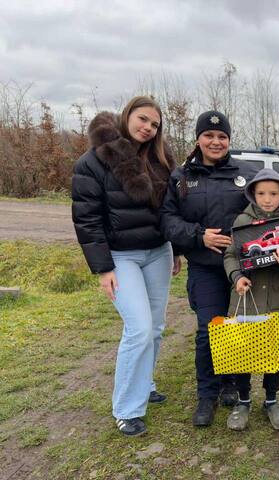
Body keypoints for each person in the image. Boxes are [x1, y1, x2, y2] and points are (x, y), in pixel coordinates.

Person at [71, 96, 180, 437]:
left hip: (158, 252)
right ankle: (127, 409)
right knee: (139, 329)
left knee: (156, 327)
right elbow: (87, 218)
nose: (148, 128)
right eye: (143, 119)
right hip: (121, 257)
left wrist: (176, 250)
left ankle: (145, 383)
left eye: (155, 124)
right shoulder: (93, 161)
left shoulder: (161, 160)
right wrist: (103, 268)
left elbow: (169, 211)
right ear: (127, 115)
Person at [160, 111, 258, 427]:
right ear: (198, 139)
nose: (216, 142)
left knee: (238, 327)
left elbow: (265, 212)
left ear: (229, 140)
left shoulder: (247, 174)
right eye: (209, 136)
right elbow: (168, 220)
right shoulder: (180, 177)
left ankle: (231, 383)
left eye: (222, 136)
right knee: (208, 330)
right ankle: (207, 394)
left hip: (241, 267)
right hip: (204, 267)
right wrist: (199, 236)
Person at [222, 168, 279, 431]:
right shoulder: (242, 220)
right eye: (262, 193)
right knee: (243, 353)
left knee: (273, 354)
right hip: (247, 298)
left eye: (274, 194)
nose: (268, 199)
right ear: (253, 194)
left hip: (276, 300)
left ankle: (271, 400)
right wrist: (236, 277)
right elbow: (231, 255)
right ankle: (243, 401)